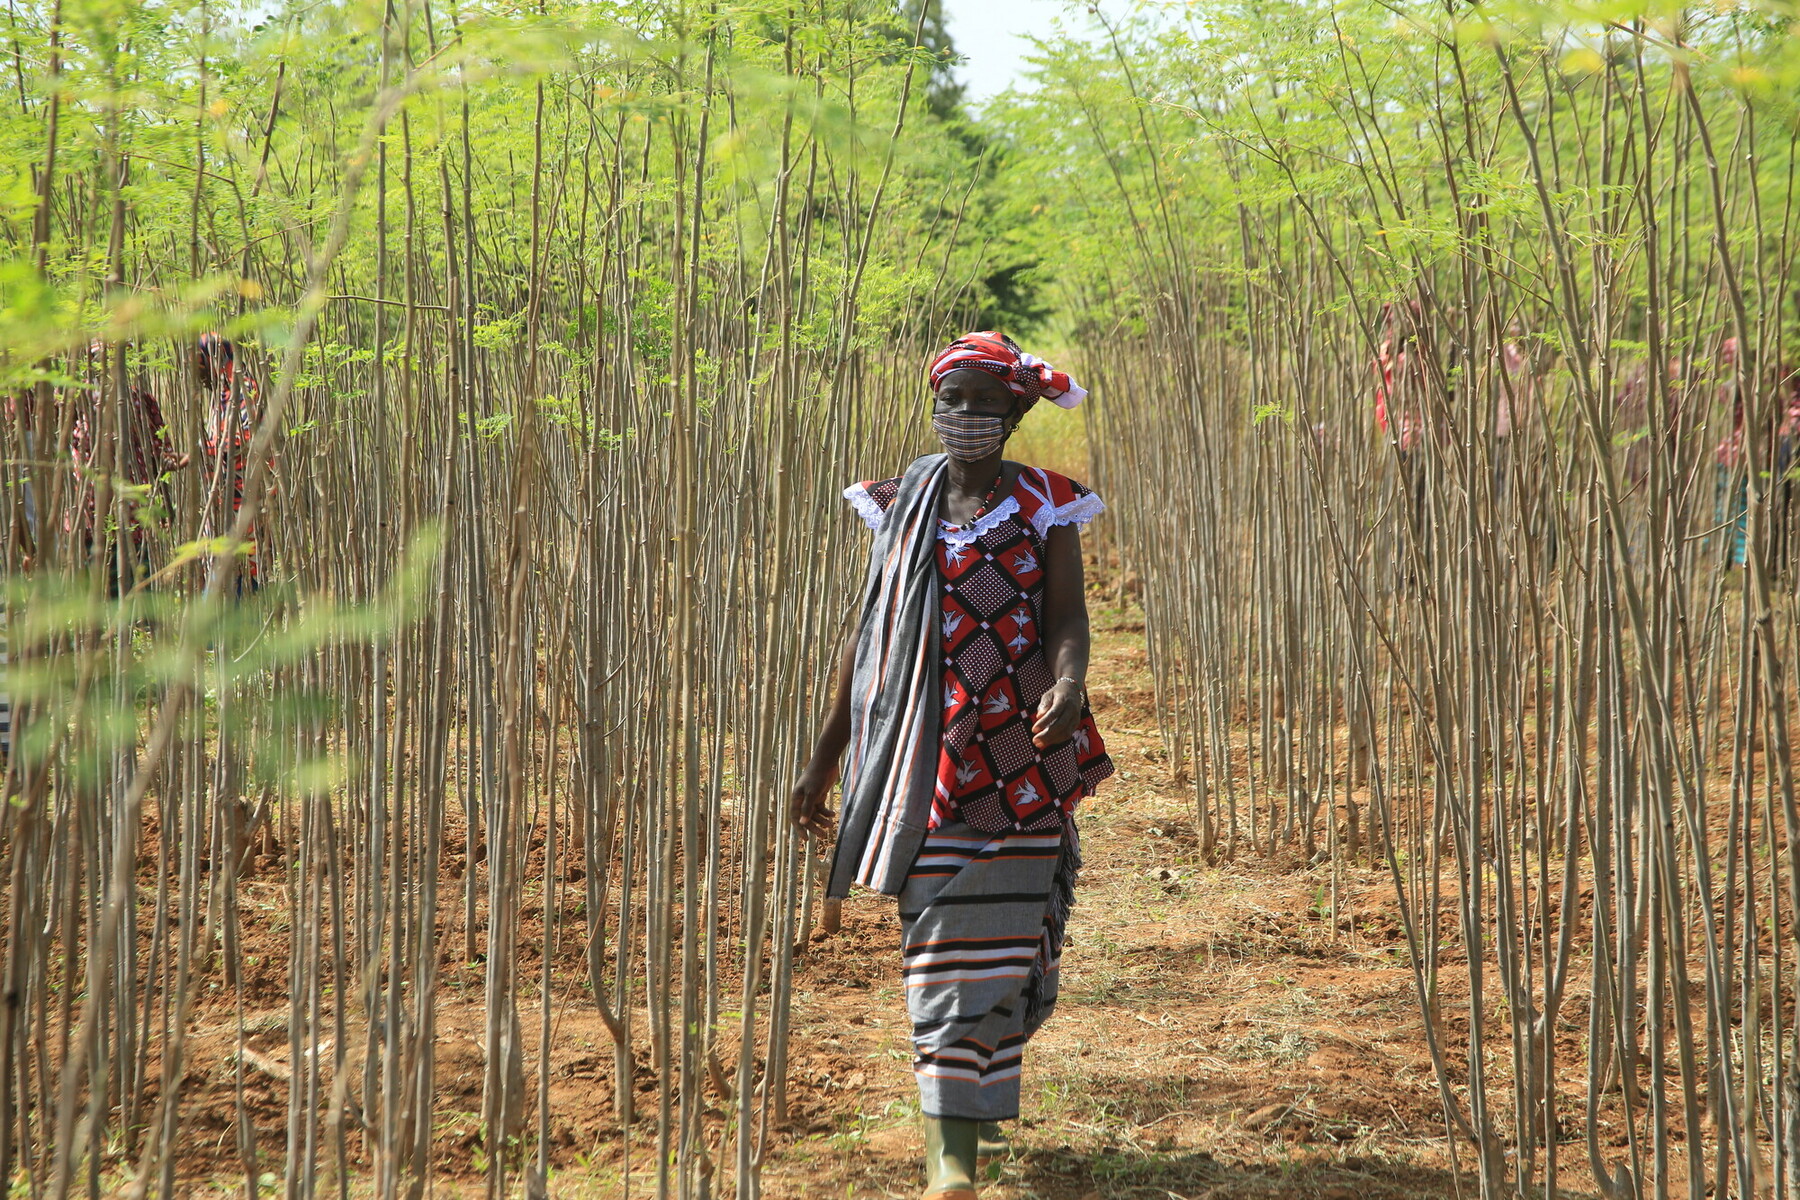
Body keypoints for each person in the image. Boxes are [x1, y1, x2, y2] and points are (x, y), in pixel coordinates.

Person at [790, 332, 1114, 1200]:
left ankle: (975, 1139)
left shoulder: (1048, 503)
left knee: (1004, 963)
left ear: (1014, 412)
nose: (964, 417)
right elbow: (868, 650)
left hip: (1025, 761)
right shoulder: (897, 505)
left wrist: (1073, 684)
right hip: (926, 766)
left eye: (983, 403)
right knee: (937, 957)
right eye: (952, 400)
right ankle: (952, 1166)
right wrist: (822, 767)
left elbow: (1067, 620)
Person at [66, 346, 191, 592]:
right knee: (128, 585)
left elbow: (159, 454)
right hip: (103, 513)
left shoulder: (133, 399)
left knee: (115, 585)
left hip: (113, 514)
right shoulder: (78, 401)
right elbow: (160, 455)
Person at [195, 334, 265, 590]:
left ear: (214, 359)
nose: (199, 374)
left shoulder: (243, 388)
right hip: (224, 505)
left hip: (242, 505)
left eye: (201, 365)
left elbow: (247, 438)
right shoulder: (221, 395)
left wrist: (204, 450)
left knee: (238, 578)